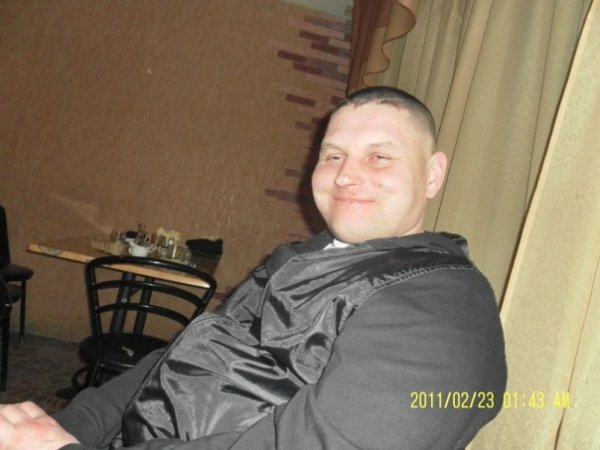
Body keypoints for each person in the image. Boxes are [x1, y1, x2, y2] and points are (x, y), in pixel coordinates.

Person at [0, 86, 506, 449]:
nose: (346, 175)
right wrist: (74, 425)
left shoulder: (444, 310)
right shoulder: (298, 259)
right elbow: (183, 357)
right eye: (333, 156)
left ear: (433, 174)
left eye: (380, 157)